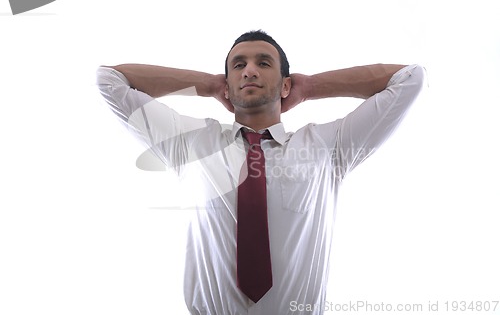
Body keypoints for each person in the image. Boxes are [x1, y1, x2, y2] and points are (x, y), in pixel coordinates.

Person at [96, 30, 425, 315]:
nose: (249, 70)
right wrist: (210, 85)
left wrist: (309, 87)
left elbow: (410, 78)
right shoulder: (192, 144)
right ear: (228, 84)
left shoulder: (328, 147)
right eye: (238, 65)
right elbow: (109, 80)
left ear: (285, 84)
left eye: (263, 63)